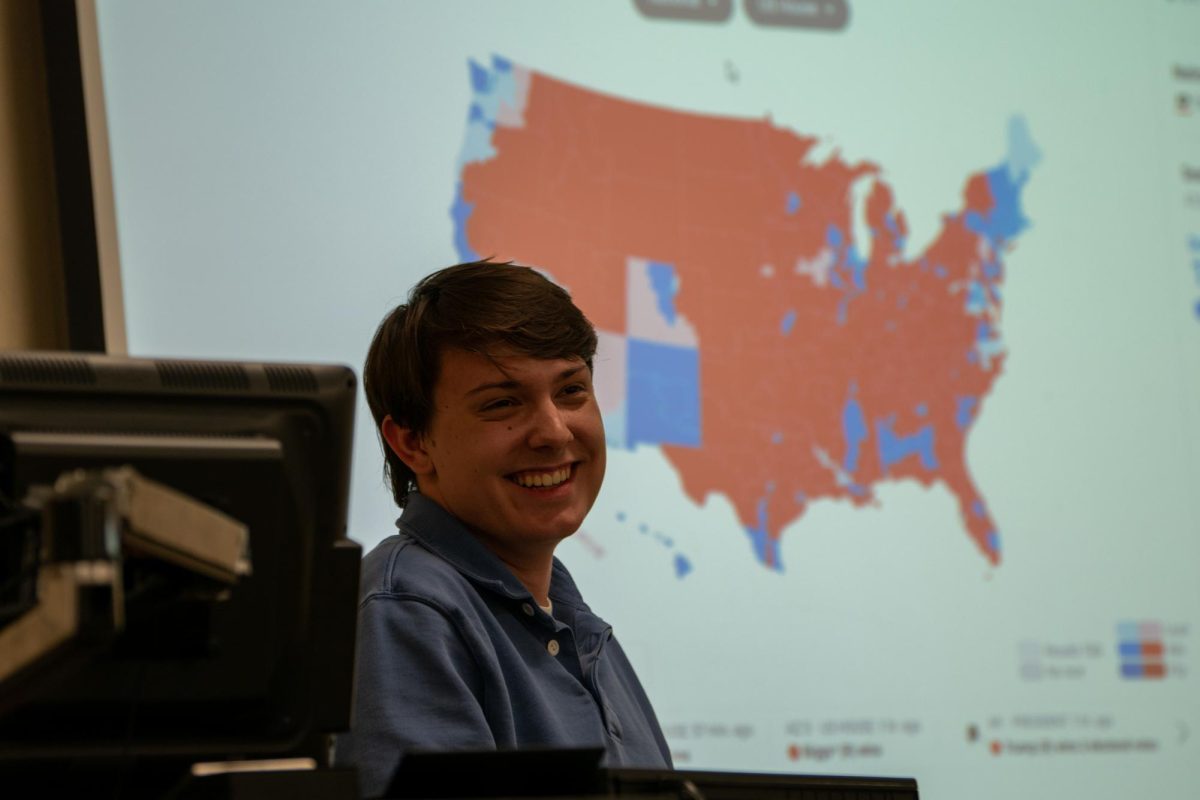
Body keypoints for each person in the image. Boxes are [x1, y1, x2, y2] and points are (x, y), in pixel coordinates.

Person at [335, 260, 672, 797]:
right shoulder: (407, 610)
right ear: (412, 444)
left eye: (571, 392)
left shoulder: (576, 626)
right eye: (502, 403)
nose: (554, 432)